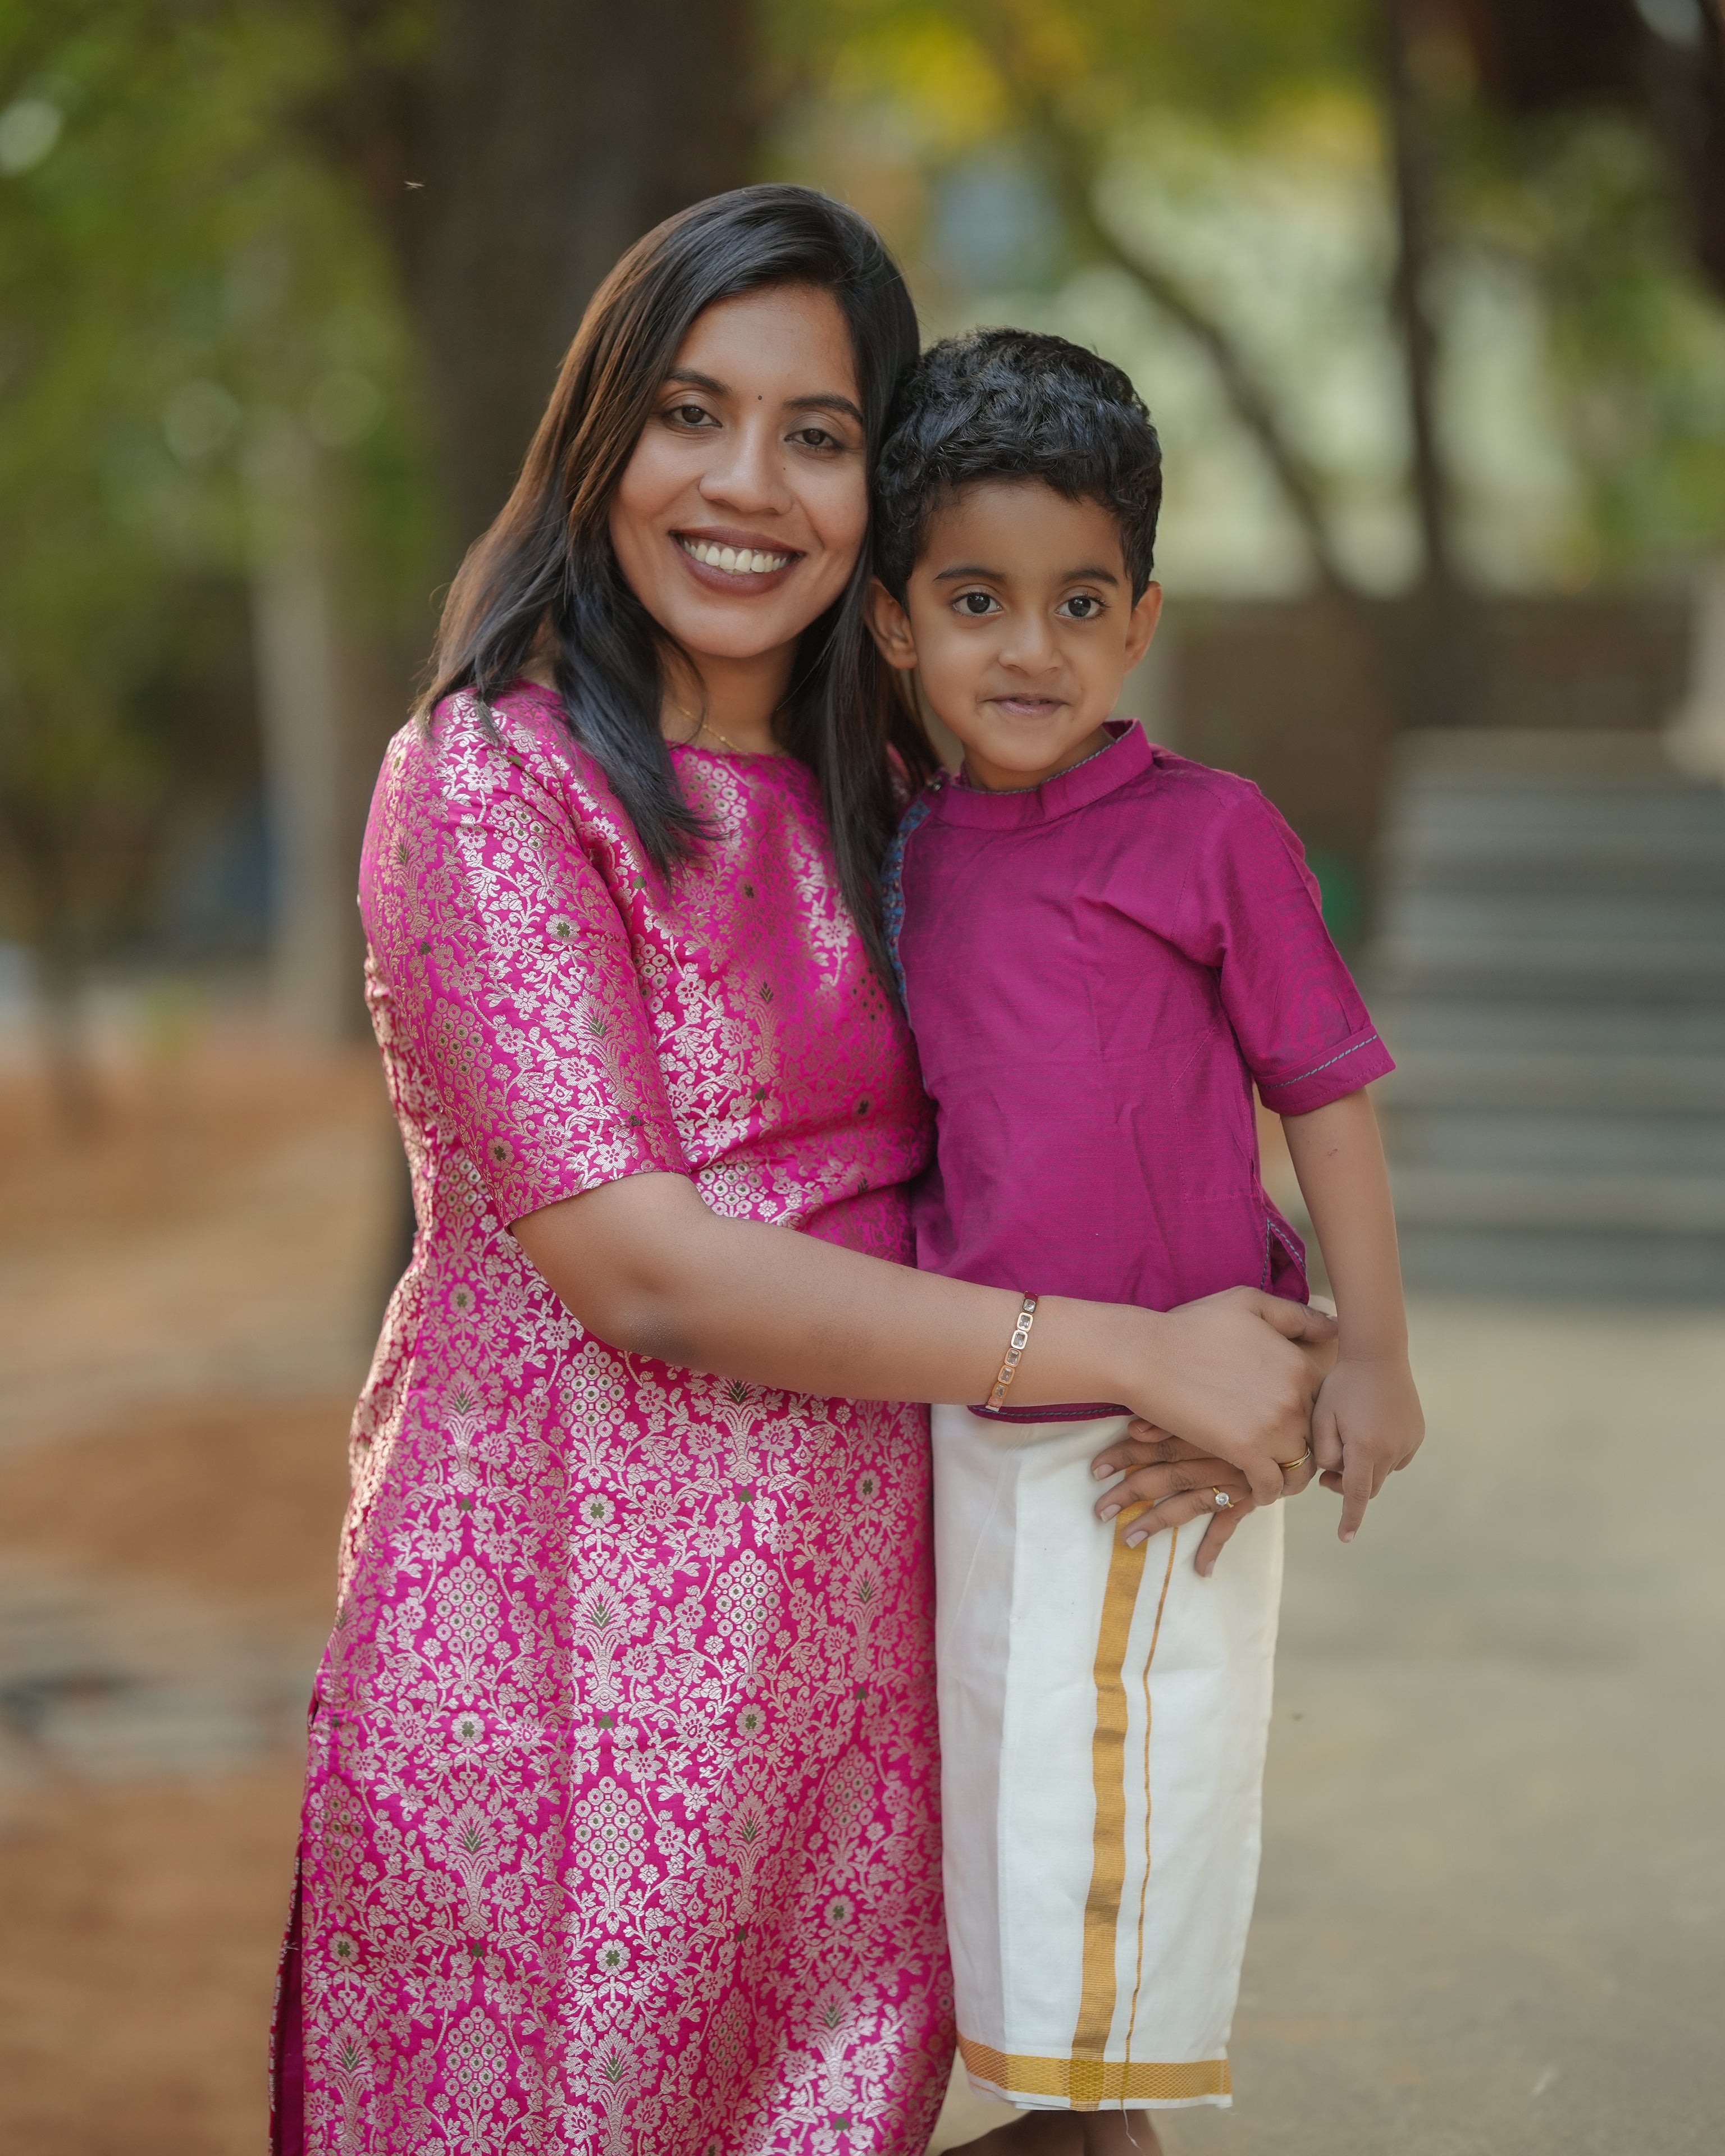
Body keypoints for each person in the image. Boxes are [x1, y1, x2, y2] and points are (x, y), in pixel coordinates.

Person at [272, 191, 1339, 2156]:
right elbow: (649, 1273)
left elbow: (1119, 1113)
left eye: (819, 434)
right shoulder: (493, 782)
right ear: (603, 435)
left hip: (875, 1675)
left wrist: (1249, 1357)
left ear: (881, 500)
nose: (747, 483)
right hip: (563, 1670)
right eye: (692, 414)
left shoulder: (914, 796)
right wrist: (1128, 1348)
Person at [867, 329, 1426, 2153]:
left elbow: (1325, 1088)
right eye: (976, 600)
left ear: (1142, 622)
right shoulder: (898, 853)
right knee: (1010, 1803)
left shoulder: (1212, 836)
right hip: (979, 1408)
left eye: (1080, 603)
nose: (1030, 648)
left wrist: (1371, 1355)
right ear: (895, 625)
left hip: (1166, 1429)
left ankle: (1102, 2129)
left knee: (1127, 1816)